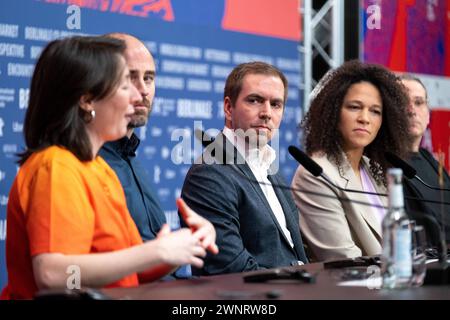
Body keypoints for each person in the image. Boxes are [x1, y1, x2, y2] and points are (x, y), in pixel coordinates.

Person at [3, 36, 217, 299]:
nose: (138, 96)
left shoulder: (99, 169)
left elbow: (129, 272)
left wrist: (180, 247)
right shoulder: (56, 166)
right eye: (124, 85)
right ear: (87, 100)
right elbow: (54, 276)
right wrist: (155, 252)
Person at [181, 61, 308, 276]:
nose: (267, 113)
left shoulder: (269, 167)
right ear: (229, 108)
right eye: (255, 100)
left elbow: (296, 254)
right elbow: (229, 269)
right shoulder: (210, 173)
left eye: (276, 104)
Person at [291, 60, 412, 262]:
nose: (365, 118)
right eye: (355, 107)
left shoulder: (375, 171)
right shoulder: (316, 174)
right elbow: (343, 261)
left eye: (375, 111)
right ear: (333, 112)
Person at [399, 75, 450, 245]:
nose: (411, 110)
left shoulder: (432, 161)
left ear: (428, 115)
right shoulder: (380, 165)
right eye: (402, 101)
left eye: (419, 102)